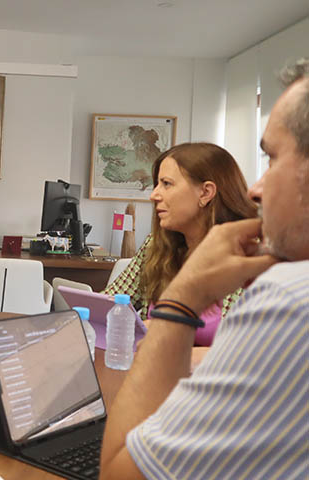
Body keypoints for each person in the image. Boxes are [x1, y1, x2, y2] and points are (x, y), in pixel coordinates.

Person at [100, 59, 308, 479]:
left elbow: (119, 472)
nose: (256, 188)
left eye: (271, 158)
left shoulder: (281, 288)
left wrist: (179, 303)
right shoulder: (159, 248)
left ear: (206, 193)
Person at [103, 142, 257, 346]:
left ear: (205, 193)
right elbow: (108, 305)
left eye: (166, 184)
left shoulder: (252, 256)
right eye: (156, 184)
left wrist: (164, 332)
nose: (154, 195)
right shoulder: (155, 246)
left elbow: (252, 350)